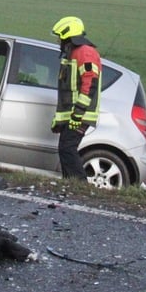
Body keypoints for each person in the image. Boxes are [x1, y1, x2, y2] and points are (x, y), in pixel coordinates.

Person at [50, 16, 101, 181]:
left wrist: (78, 113)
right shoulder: (71, 54)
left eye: (60, 37)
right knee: (64, 149)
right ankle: (69, 184)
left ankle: (79, 185)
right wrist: (60, 120)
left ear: (68, 36)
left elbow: (90, 84)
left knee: (67, 149)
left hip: (80, 114)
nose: (58, 40)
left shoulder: (85, 52)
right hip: (73, 114)